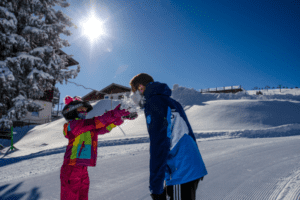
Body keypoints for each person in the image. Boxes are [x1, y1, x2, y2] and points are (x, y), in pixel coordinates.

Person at [129, 73, 208, 200]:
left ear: (140, 87)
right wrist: (196, 165)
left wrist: (156, 187)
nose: (133, 96)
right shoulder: (171, 102)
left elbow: (159, 145)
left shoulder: (154, 103)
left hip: (180, 172)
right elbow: (189, 133)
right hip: (189, 168)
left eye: (134, 91)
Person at [60, 96, 137, 200]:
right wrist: (116, 112)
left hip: (83, 168)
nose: (84, 112)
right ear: (72, 110)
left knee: (83, 197)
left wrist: (120, 118)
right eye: (81, 109)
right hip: (71, 167)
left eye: (85, 110)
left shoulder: (87, 126)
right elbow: (97, 121)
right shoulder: (73, 125)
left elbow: (104, 127)